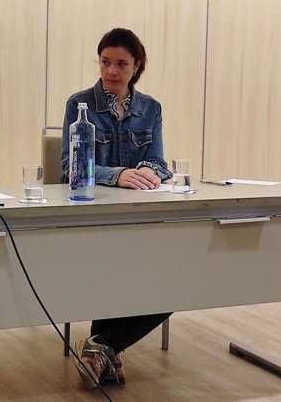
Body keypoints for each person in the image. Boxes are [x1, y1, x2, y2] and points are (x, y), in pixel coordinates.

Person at [60, 27, 173, 390]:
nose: (111, 71)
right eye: (105, 62)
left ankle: (101, 346)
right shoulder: (80, 104)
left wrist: (148, 172)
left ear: (136, 65)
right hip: (95, 218)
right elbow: (69, 167)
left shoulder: (150, 108)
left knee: (177, 281)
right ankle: (107, 348)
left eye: (120, 64)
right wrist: (118, 174)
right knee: (114, 263)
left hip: (140, 218)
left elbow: (159, 163)